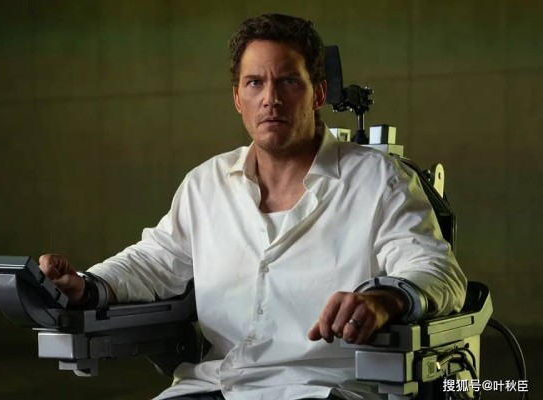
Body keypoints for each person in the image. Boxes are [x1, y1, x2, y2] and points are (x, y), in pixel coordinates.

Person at [39, 13, 466, 400]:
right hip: (215, 385)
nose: (270, 98)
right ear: (237, 98)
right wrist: (87, 285)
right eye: (255, 83)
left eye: (289, 81)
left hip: (324, 388)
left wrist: (385, 299)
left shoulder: (378, 180)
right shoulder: (206, 184)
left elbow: (438, 270)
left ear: (318, 94)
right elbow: (153, 262)